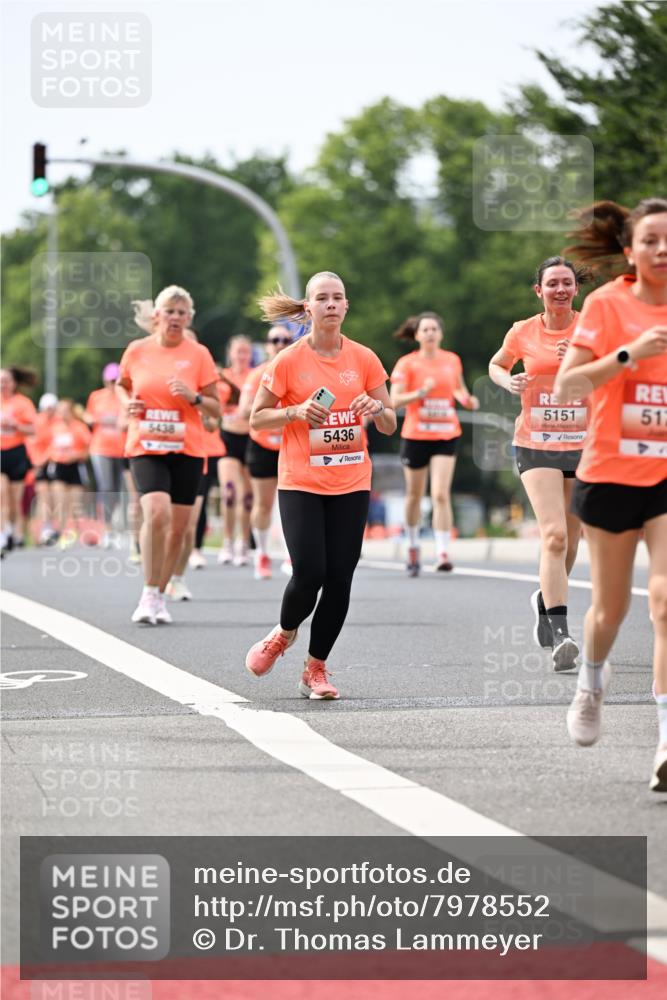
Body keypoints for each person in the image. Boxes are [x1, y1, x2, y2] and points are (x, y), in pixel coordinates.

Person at [554, 197, 667, 793]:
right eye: (651, 240)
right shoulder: (606, 305)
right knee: (611, 608)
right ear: (630, 250)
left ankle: (666, 742)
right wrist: (630, 354)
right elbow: (570, 383)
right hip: (611, 471)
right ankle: (591, 682)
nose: (662, 249)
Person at [244, 271, 396, 700]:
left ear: (346, 306)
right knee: (309, 571)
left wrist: (375, 407)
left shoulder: (364, 359)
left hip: (351, 481)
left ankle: (316, 668)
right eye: (322, 298)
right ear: (308, 309)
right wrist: (295, 412)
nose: (331, 304)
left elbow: (389, 422)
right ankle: (283, 633)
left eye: (338, 298)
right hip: (302, 482)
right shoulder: (288, 361)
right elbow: (257, 417)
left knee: (341, 577)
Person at [488, 258, 588, 671]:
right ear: (539, 291)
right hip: (536, 442)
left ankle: (545, 600)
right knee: (554, 535)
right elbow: (497, 364)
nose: (560, 290)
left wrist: (579, 363)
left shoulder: (590, 328)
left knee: (572, 537)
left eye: (567, 283)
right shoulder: (522, 331)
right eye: (552, 284)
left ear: (575, 290)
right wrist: (506, 380)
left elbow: (613, 378)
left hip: (583, 443)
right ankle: (561, 632)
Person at [117, 286, 220, 625]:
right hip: (146, 444)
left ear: (189, 318)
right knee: (156, 511)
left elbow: (216, 408)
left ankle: (160, 594)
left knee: (178, 528)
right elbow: (122, 384)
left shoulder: (199, 354)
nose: (175, 317)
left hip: (187, 448)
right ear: (156, 315)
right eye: (169, 311)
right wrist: (126, 403)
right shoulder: (137, 350)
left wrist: (193, 397)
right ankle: (147, 592)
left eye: (181, 313)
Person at [390, 312, 479, 576]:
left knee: (440, 493)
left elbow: (458, 388)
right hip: (416, 435)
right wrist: (420, 393)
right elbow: (394, 400)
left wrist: (467, 400)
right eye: (424, 330)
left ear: (440, 334)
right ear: (416, 335)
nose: (429, 333)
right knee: (415, 495)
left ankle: (442, 553)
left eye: (434, 329)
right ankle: (413, 545)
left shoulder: (452, 360)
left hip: (445, 433)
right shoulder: (407, 364)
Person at [238, 323, 293, 579]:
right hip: (261, 445)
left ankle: (292, 554)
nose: (280, 344)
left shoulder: (299, 372)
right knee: (263, 503)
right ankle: (261, 553)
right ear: (268, 345)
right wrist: (275, 412)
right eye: (275, 340)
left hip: (291, 446)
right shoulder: (257, 375)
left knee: (293, 504)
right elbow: (244, 411)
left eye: (285, 340)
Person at [217, 335, 253, 566]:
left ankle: (244, 541)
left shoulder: (255, 376)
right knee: (229, 491)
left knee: (247, 496)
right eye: (237, 351)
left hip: (250, 437)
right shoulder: (221, 377)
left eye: (245, 352)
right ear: (230, 353)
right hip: (228, 437)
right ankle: (227, 541)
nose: (241, 356)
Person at [85, 363, 126, 548]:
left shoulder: (124, 397)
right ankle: (108, 529)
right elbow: (87, 416)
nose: (113, 384)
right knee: (106, 486)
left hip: (122, 448)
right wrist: (98, 419)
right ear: (105, 380)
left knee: (117, 488)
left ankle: (116, 525)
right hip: (100, 448)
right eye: (110, 380)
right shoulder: (96, 396)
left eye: (116, 380)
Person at [0, 366, 37, 553]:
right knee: (1, 494)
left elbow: (32, 430)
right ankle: (3, 531)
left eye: (6, 381)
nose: (3, 384)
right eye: (0, 381)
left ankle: (12, 529)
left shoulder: (23, 403)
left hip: (16, 453)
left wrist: (16, 425)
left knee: (15, 500)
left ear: (13, 383)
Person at [47, 399, 92, 546]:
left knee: (75, 503)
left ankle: (76, 532)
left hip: (75, 467)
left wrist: (76, 455)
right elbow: (47, 446)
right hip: (59, 466)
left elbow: (87, 451)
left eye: (65, 410)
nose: (62, 414)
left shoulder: (79, 427)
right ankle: (61, 533)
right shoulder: (54, 427)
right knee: (60, 501)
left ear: (71, 411)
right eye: (60, 411)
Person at [28, 392, 58, 544]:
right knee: (44, 496)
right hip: (39, 463)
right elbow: (31, 442)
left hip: (54, 462)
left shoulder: (58, 422)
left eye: (52, 408)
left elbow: (56, 443)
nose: (50, 412)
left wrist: (45, 457)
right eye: (47, 408)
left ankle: (50, 527)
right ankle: (43, 529)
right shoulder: (37, 422)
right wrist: (37, 461)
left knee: (53, 496)